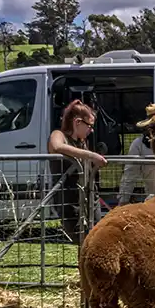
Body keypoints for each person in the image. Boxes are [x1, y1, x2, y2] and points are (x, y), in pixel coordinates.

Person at [47, 99, 108, 243]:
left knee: (95, 239)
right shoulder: (58, 135)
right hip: (69, 202)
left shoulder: (82, 142)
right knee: (86, 241)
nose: (91, 130)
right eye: (89, 126)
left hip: (89, 199)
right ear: (77, 122)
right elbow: (56, 146)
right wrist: (91, 155)